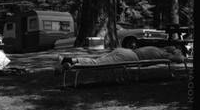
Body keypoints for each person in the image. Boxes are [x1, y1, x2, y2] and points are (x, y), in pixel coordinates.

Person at [55, 45, 185, 74]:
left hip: (124, 50)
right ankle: (69, 66)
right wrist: (183, 57)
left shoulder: (155, 48)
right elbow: (179, 59)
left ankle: (66, 60)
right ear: (170, 51)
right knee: (97, 63)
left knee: (98, 59)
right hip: (131, 57)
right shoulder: (164, 54)